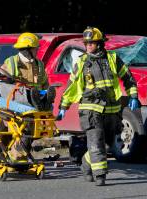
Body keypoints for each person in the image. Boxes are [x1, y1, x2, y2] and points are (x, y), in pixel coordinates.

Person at [57, 27, 139, 186]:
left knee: (106, 143)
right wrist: (63, 107)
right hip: (90, 108)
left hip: (112, 110)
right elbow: (71, 86)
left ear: (100, 44)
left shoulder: (113, 58)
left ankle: (85, 163)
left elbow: (128, 77)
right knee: (95, 142)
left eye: (91, 43)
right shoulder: (81, 62)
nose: (88, 46)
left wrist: (133, 95)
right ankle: (100, 175)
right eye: (86, 43)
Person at [0, 32, 56, 162]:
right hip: (14, 103)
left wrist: (46, 93)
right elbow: (3, 86)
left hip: (33, 104)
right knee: (22, 130)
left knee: (34, 129)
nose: (37, 50)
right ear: (28, 49)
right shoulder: (11, 62)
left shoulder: (39, 64)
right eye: (36, 48)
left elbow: (44, 84)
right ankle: (16, 156)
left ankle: (20, 155)